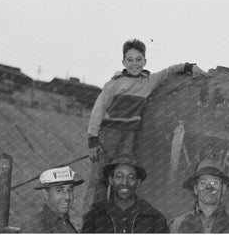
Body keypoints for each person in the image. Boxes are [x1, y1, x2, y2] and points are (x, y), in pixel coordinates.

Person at [85, 38, 210, 208]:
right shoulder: (114, 84)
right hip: (109, 133)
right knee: (100, 178)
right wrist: (93, 139)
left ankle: (114, 215)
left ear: (145, 61)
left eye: (138, 60)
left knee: (123, 175)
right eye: (130, 60)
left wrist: (190, 67)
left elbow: (170, 70)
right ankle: (92, 219)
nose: (134, 64)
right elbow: (98, 110)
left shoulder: (149, 81)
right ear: (123, 62)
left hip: (129, 136)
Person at [81, 154, 169, 233]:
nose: (124, 182)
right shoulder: (95, 216)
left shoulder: (154, 218)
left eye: (130, 177)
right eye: (119, 176)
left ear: (138, 182)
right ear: (111, 180)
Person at [169, 159, 229, 233]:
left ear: (223, 188)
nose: (208, 187)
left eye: (214, 182)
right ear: (195, 189)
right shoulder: (177, 225)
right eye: (203, 182)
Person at [21, 166, 84, 233]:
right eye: (60, 190)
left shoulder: (65, 220)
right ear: (46, 194)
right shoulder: (34, 228)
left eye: (70, 190)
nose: (67, 196)